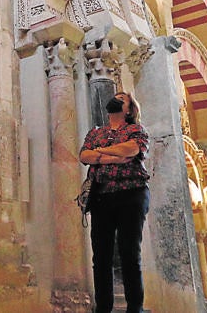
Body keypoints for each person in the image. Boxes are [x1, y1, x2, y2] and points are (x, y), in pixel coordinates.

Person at [79, 90, 151, 313]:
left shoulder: (135, 130)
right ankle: (103, 308)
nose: (116, 100)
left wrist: (99, 154)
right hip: (101, 196)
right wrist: (115, 156)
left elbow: (132, 149)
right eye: (115, 98)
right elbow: (84, 155)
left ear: (129, 110)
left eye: (122, 100)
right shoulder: (96, 132)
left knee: (130, 253)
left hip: (132, 193)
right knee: (101, 256)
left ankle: (135, 308)